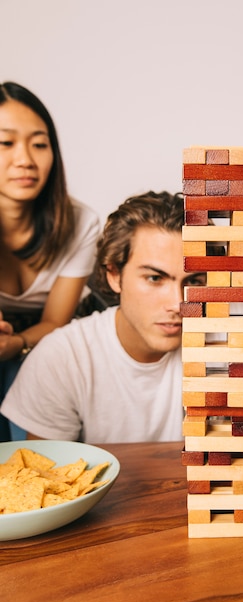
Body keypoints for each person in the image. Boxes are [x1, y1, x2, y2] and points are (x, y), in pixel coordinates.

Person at [1, 191, 243, 451]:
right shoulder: (63, 357)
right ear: (115, 275)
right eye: (154, 278)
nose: (179, 304)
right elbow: (45, 485)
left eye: (193, 282)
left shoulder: (222, 321)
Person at [0, 81, 100, 441]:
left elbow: (56, 321)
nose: (25, 159)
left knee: (29, 371)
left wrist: (16, 343)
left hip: (48, 336)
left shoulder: (81, 222)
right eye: (5, 143)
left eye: (39, 144)